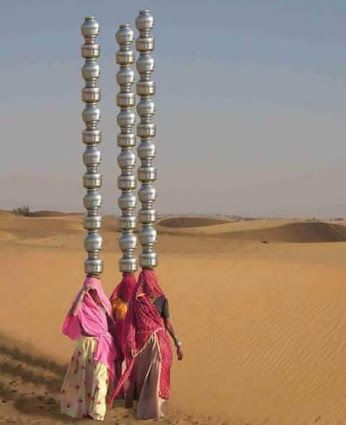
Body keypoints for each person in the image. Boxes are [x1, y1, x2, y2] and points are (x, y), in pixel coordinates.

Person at [110, 268, 183, 419]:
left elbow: (167, 323)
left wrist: (178, 343)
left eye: (147, 281)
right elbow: (130, 324)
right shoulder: (137, 302)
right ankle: (146, 409)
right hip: (143, 345)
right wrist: (130, 343)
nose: (146, 284)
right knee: (143, 377)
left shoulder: (162, 300)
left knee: (158, 373)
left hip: (159, 343)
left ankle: (156, 409)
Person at [60, 274, 117, 421]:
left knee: (99, 379)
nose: (93, 292)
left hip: (102, 346)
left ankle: (98, 412)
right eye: (91, 290)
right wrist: (82, 293)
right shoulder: (81, 306)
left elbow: (112, 323)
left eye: (95, 289)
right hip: (85, 345)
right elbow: (73, 313)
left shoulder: (104, 305)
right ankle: (84, 409)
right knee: (84, 379)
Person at [109, 273, 137, 393]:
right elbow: (109, 318)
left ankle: (130, 389)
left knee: (131, 362)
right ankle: (119, 389)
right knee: (119, 361)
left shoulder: (136, 303)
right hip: (118, 335)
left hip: (130, 337)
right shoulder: (116, 302)